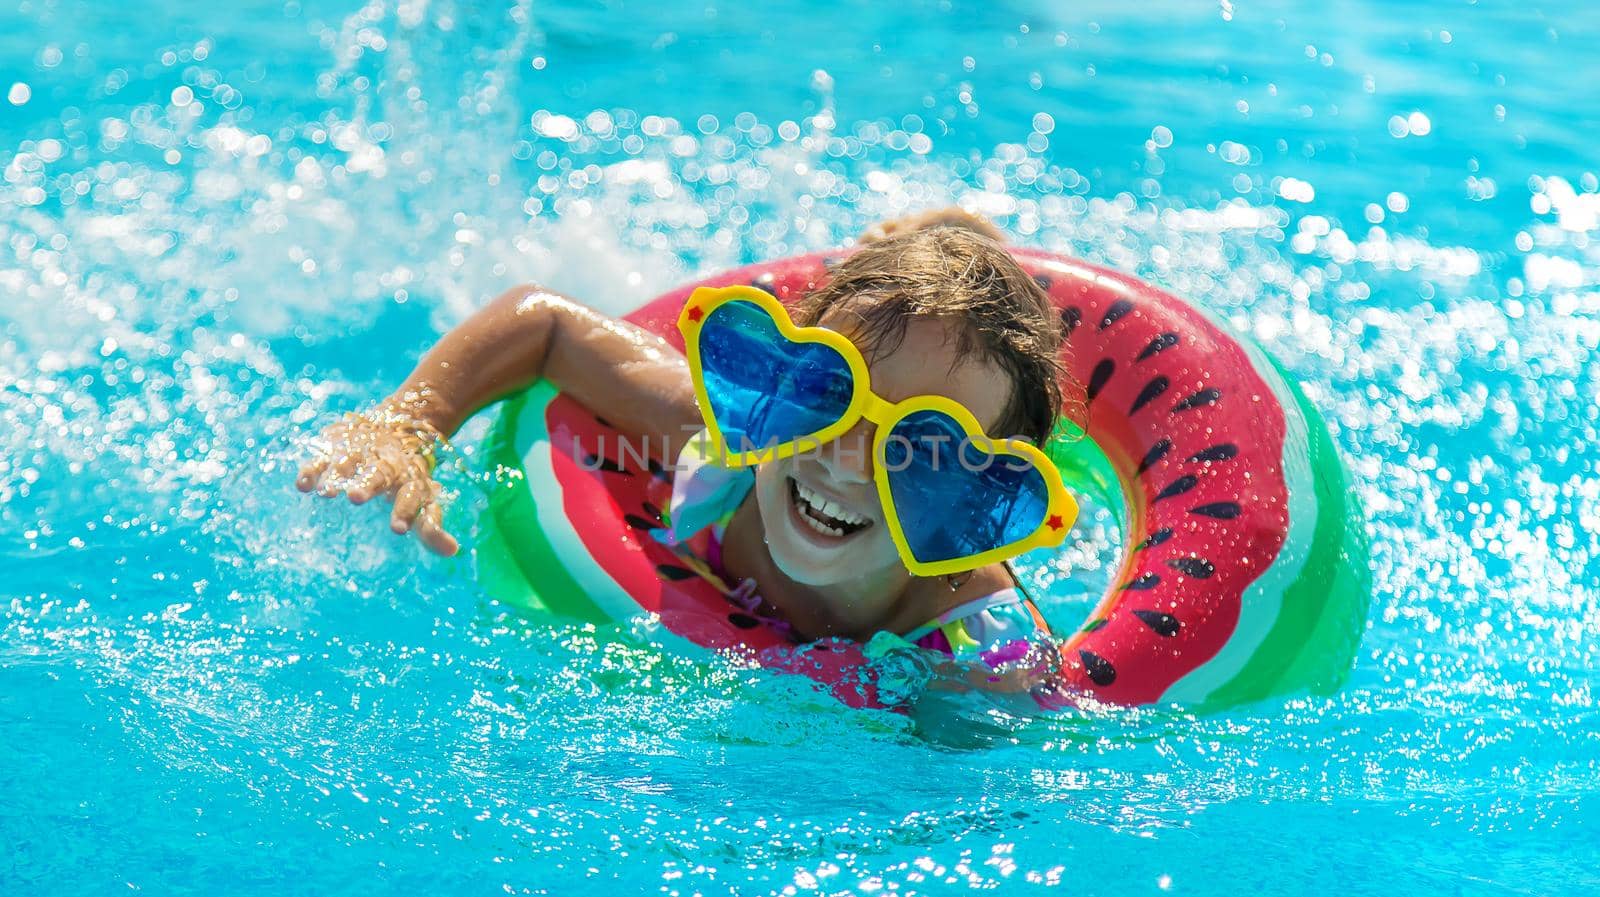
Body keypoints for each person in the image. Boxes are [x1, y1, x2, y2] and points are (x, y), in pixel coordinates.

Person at [296, 209, 1069, 684]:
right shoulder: (730, 431)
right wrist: (408, 423)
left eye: (921, 448)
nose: (843, 456)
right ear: (778, 374)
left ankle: (966, 249)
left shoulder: (973, 646)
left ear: (985, 505)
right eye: (829, 389)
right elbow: (545, 322)